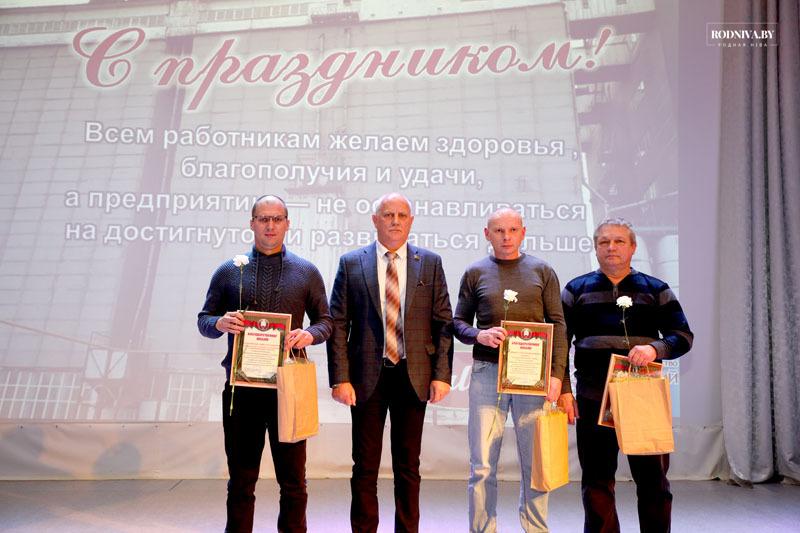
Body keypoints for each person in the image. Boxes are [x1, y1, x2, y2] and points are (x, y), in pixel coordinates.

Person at [197, 195, 332, 533]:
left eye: (277, 219)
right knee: (241, 481)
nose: (270, 225)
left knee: (293, 481)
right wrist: (219, 323)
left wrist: (309, 335)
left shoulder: (306, 271)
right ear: (252, 223)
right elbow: (204, 319)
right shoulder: (230, 270)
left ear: (287, 223)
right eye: (263, 219)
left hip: (289, 389)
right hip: (241, 390)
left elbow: (326, 322)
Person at [326, 192, 454, 533]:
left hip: (414, 375)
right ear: (375, 220)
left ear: (410, 221)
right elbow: (338, 323)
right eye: (387, 214)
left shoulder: (430, 263)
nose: (395, 221)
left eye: (401, 215)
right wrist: (340, 378)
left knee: (408, 466)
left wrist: (442, 375)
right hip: (365, 377)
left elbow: (443, 322)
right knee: (364, 465)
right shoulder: (351, 263)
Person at [559, 217, 693, 533]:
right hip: (593, 396)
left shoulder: (656, 289)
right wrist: (564, 389)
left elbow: (682, 337)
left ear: (633, 247)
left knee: (653, 481)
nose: (611, 247)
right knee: (596, 480)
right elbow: (559, 346)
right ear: (595, 248)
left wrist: (655, 349)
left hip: (643, 397)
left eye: (619, 241)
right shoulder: (575, 290)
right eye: (604, 242)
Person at [453, 207, 567, 532]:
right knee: (482, 464)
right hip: (487, 374)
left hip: (534, 377)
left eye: (513, 230)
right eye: (499, 231)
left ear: (523, 232)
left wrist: (557, 375)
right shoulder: (475, 272)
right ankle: (482, 529)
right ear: (487, 234)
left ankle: (536, 529)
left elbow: (558, 324)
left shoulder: (542, 270)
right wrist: (479, 335)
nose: (506, 237)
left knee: (535, 462)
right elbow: (458, 323)